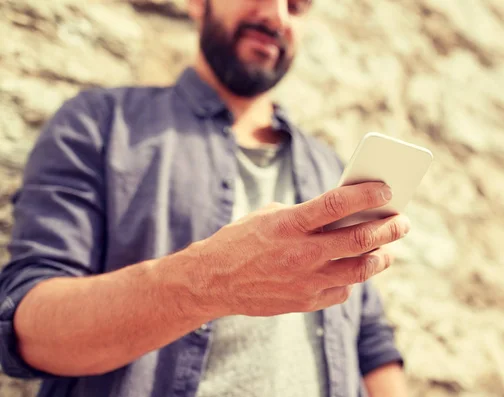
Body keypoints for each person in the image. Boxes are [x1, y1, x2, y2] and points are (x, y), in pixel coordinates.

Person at [0, 1, 411, 396]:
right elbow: (29, 332)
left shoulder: (329, 167)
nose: (275, 15)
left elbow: (369, 336)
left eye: (298, 4)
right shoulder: (99, 123)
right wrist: (212, 282)